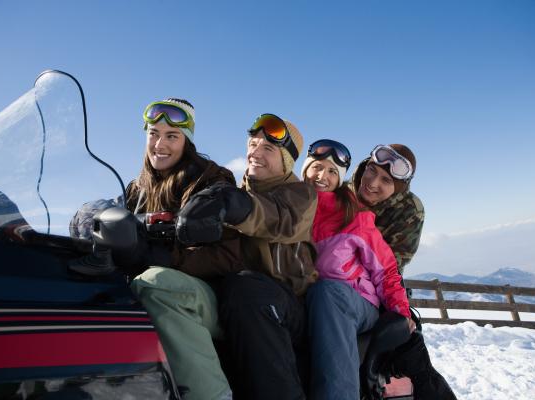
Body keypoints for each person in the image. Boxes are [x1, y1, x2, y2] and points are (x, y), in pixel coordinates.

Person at [176, 113, 318, 400]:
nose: (255, 153)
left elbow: (279, 218)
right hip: (242, 300)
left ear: (286, 161)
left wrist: (236, 205)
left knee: (247, 290)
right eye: (253, 145)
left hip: (290, 307)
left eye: (268, 148)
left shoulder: (301, 195)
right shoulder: (234, 194)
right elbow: (219, 256)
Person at [124, 98, 243, 400]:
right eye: (153, 133)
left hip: (209, 297)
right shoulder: (137, 189)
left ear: (186, 140)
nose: (159, 144)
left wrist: (167, 258)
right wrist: (89, 217)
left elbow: (228, 257)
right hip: (154, 288)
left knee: (157, 284)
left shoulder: (212, 181)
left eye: (172, 136)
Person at [301, 139, 414, 399]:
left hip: (355, 300)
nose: (322, 177)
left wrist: (400, 312)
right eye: (317, 167)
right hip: (312, 297)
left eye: (332, 171)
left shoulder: (355, 216)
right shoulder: (290, 209)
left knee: (328, 292)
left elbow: (387, 268)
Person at [350, 144, 457, 399]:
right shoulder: (342, 194)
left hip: (377, 288)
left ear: (398, 187)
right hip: (333, 283)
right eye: (371, 171)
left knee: (408, 346)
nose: (372, 183)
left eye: (386, 180)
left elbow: (392, 263)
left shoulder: (409, 209)